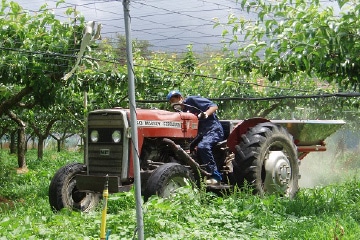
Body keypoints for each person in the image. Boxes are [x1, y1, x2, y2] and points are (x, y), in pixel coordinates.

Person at [166, 90, 224, 185]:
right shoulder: (181, 112)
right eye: (171, 101)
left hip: (213, 129)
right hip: (201, 133)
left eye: (175, 99)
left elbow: (214, 106)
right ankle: (198, 175)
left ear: (181, 97)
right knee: (189, 150)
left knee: (203, 147)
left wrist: (206, 113)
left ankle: (216, 177)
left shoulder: (191, 100)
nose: (174, 102)